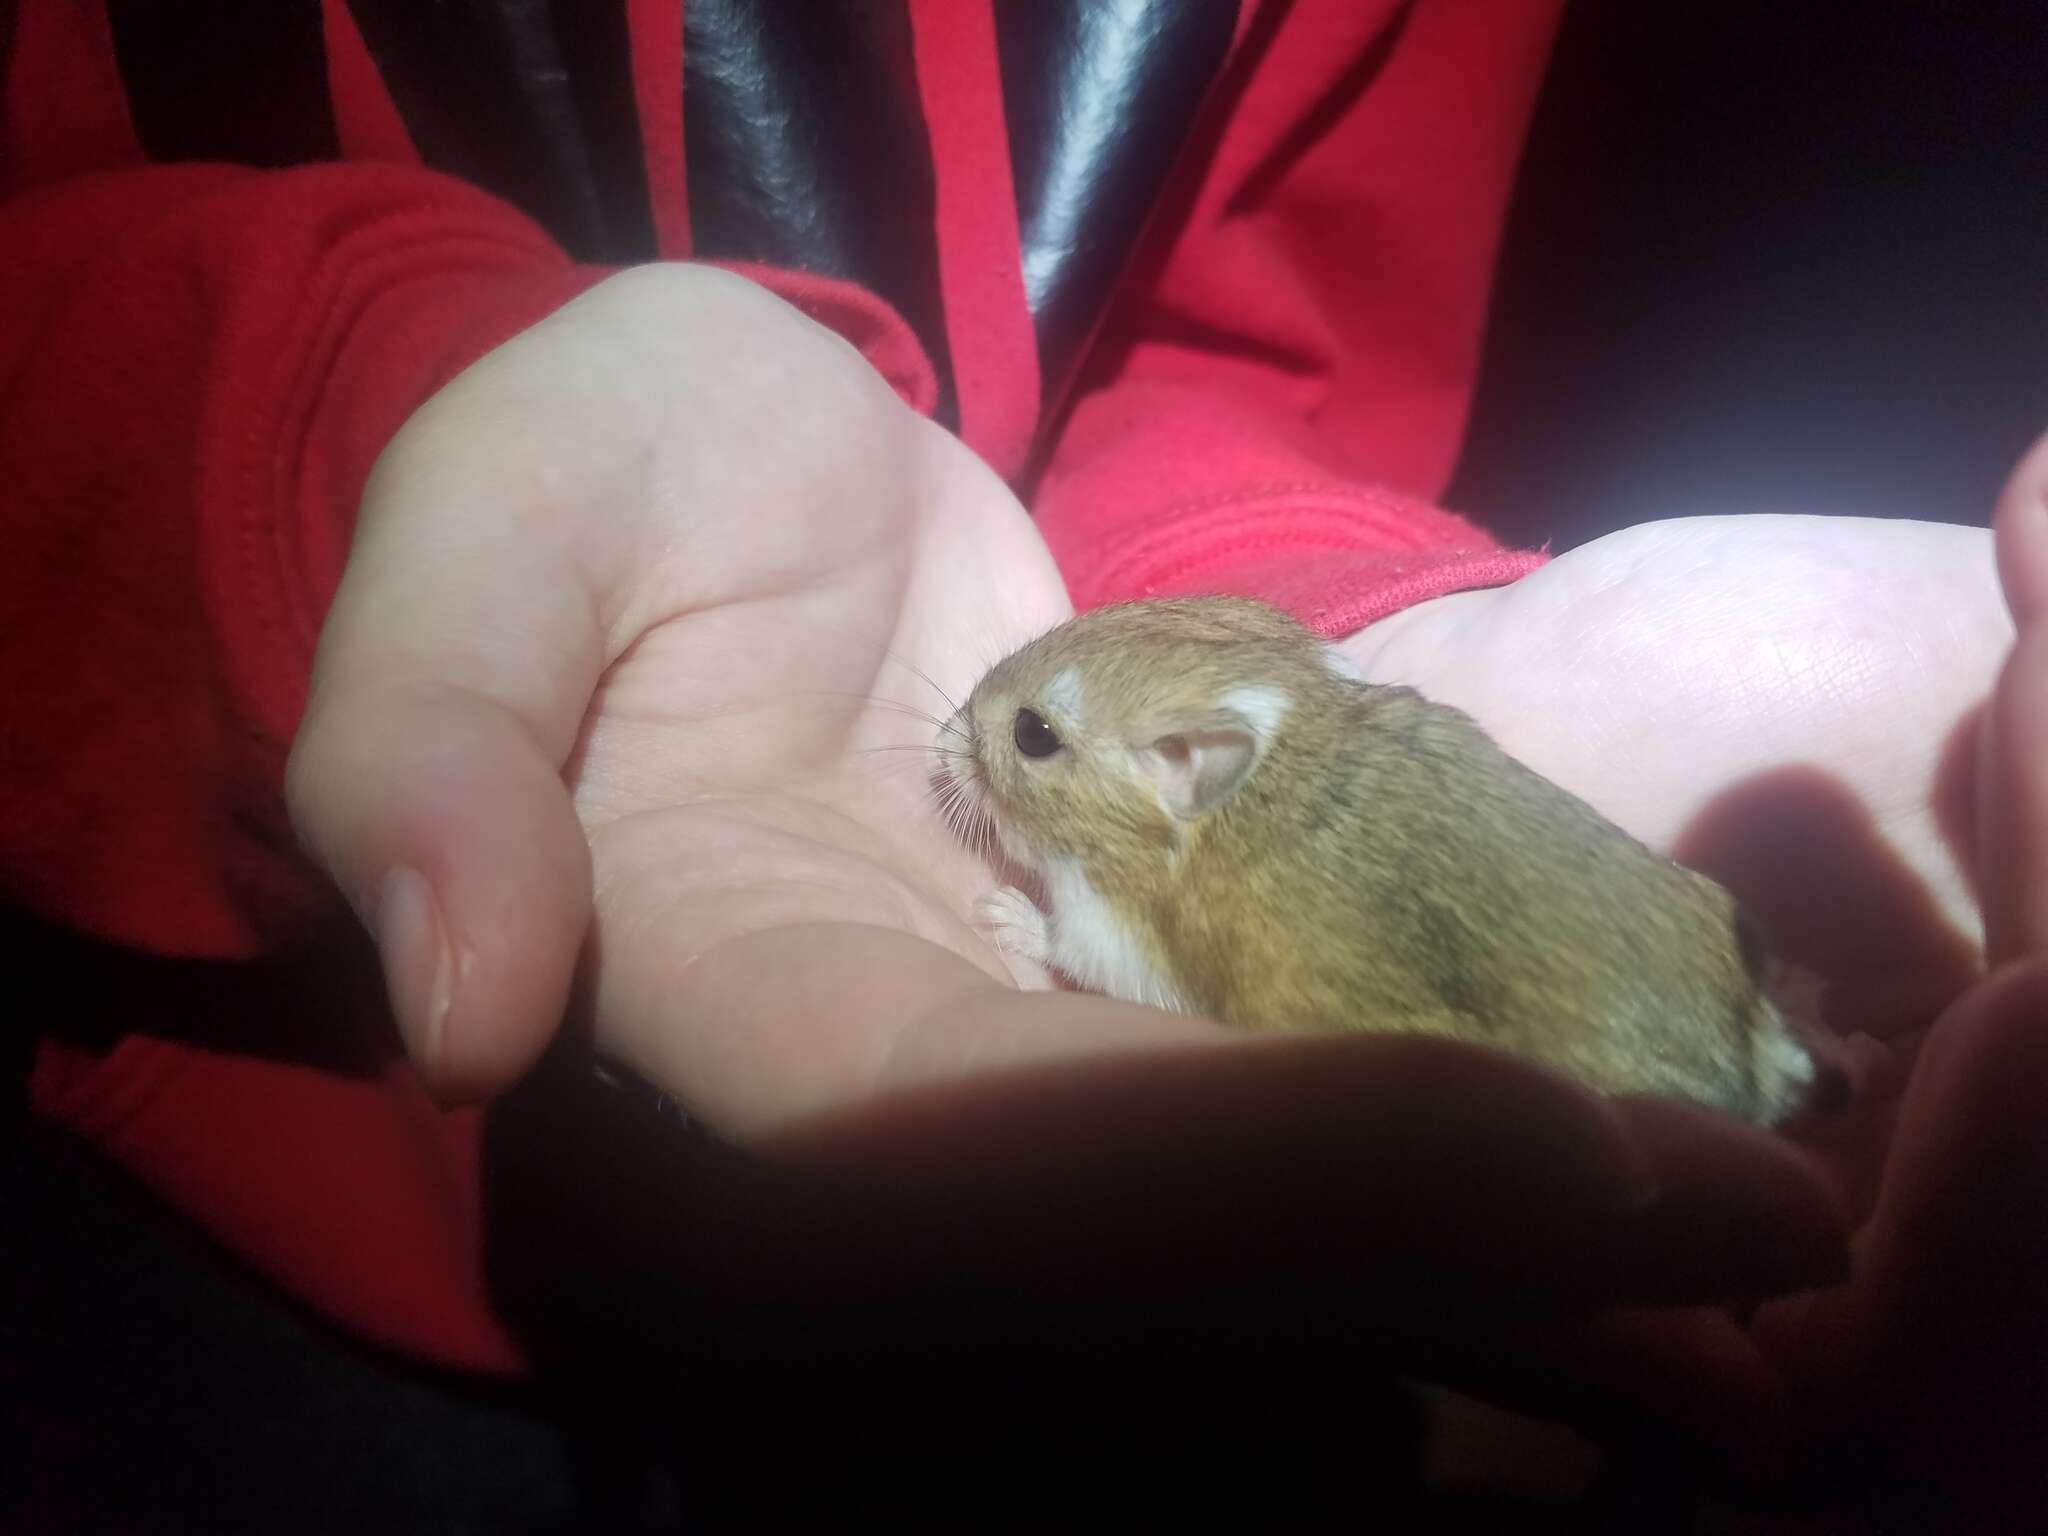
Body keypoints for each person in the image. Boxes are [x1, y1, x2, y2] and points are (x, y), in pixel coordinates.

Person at [3, 0, 2041, 1521]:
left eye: (1039, 738)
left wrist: (1292, 597)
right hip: (288, 1224)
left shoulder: (1217, 868)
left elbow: (1249, 353)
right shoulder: (1231, 796)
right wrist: (349, 406)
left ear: (1190, 771)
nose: (991, 753)